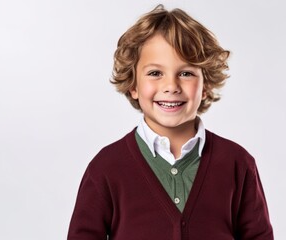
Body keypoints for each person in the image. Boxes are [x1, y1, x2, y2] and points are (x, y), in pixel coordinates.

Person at [68, 4, 273, 240]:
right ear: (134, 85)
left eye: (186, 73)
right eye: (155, 73)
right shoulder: (106, 168)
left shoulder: (238, 164)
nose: (171, 86)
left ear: (205, 86)